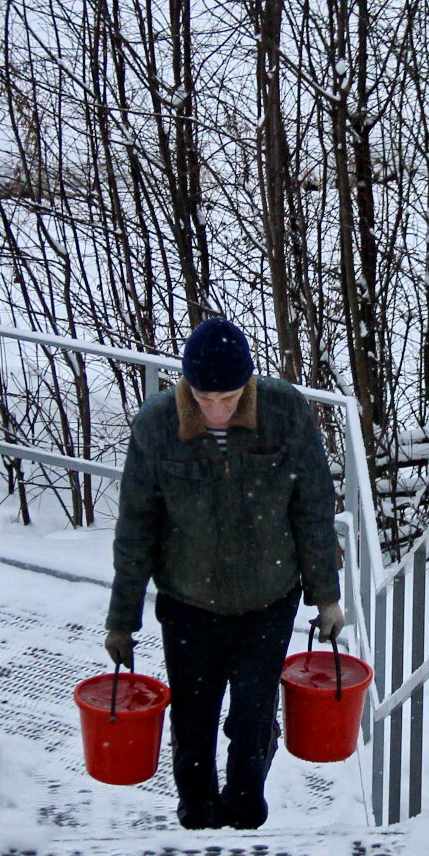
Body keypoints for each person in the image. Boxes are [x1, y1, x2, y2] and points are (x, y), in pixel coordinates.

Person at [105, 317, 346, 829]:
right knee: (193, 717)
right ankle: (195, 811)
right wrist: (121, 619)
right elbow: (135, 528)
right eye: (205, 397)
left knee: (252, 716)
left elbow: (314, 507)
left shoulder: (285, 412)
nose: (217, 409)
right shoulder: (155, 426)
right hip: (188, 602)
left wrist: (326, 597)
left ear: (250, 384)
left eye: (231, 397)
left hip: (269, 597)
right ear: (187, 386)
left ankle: (245, 809)